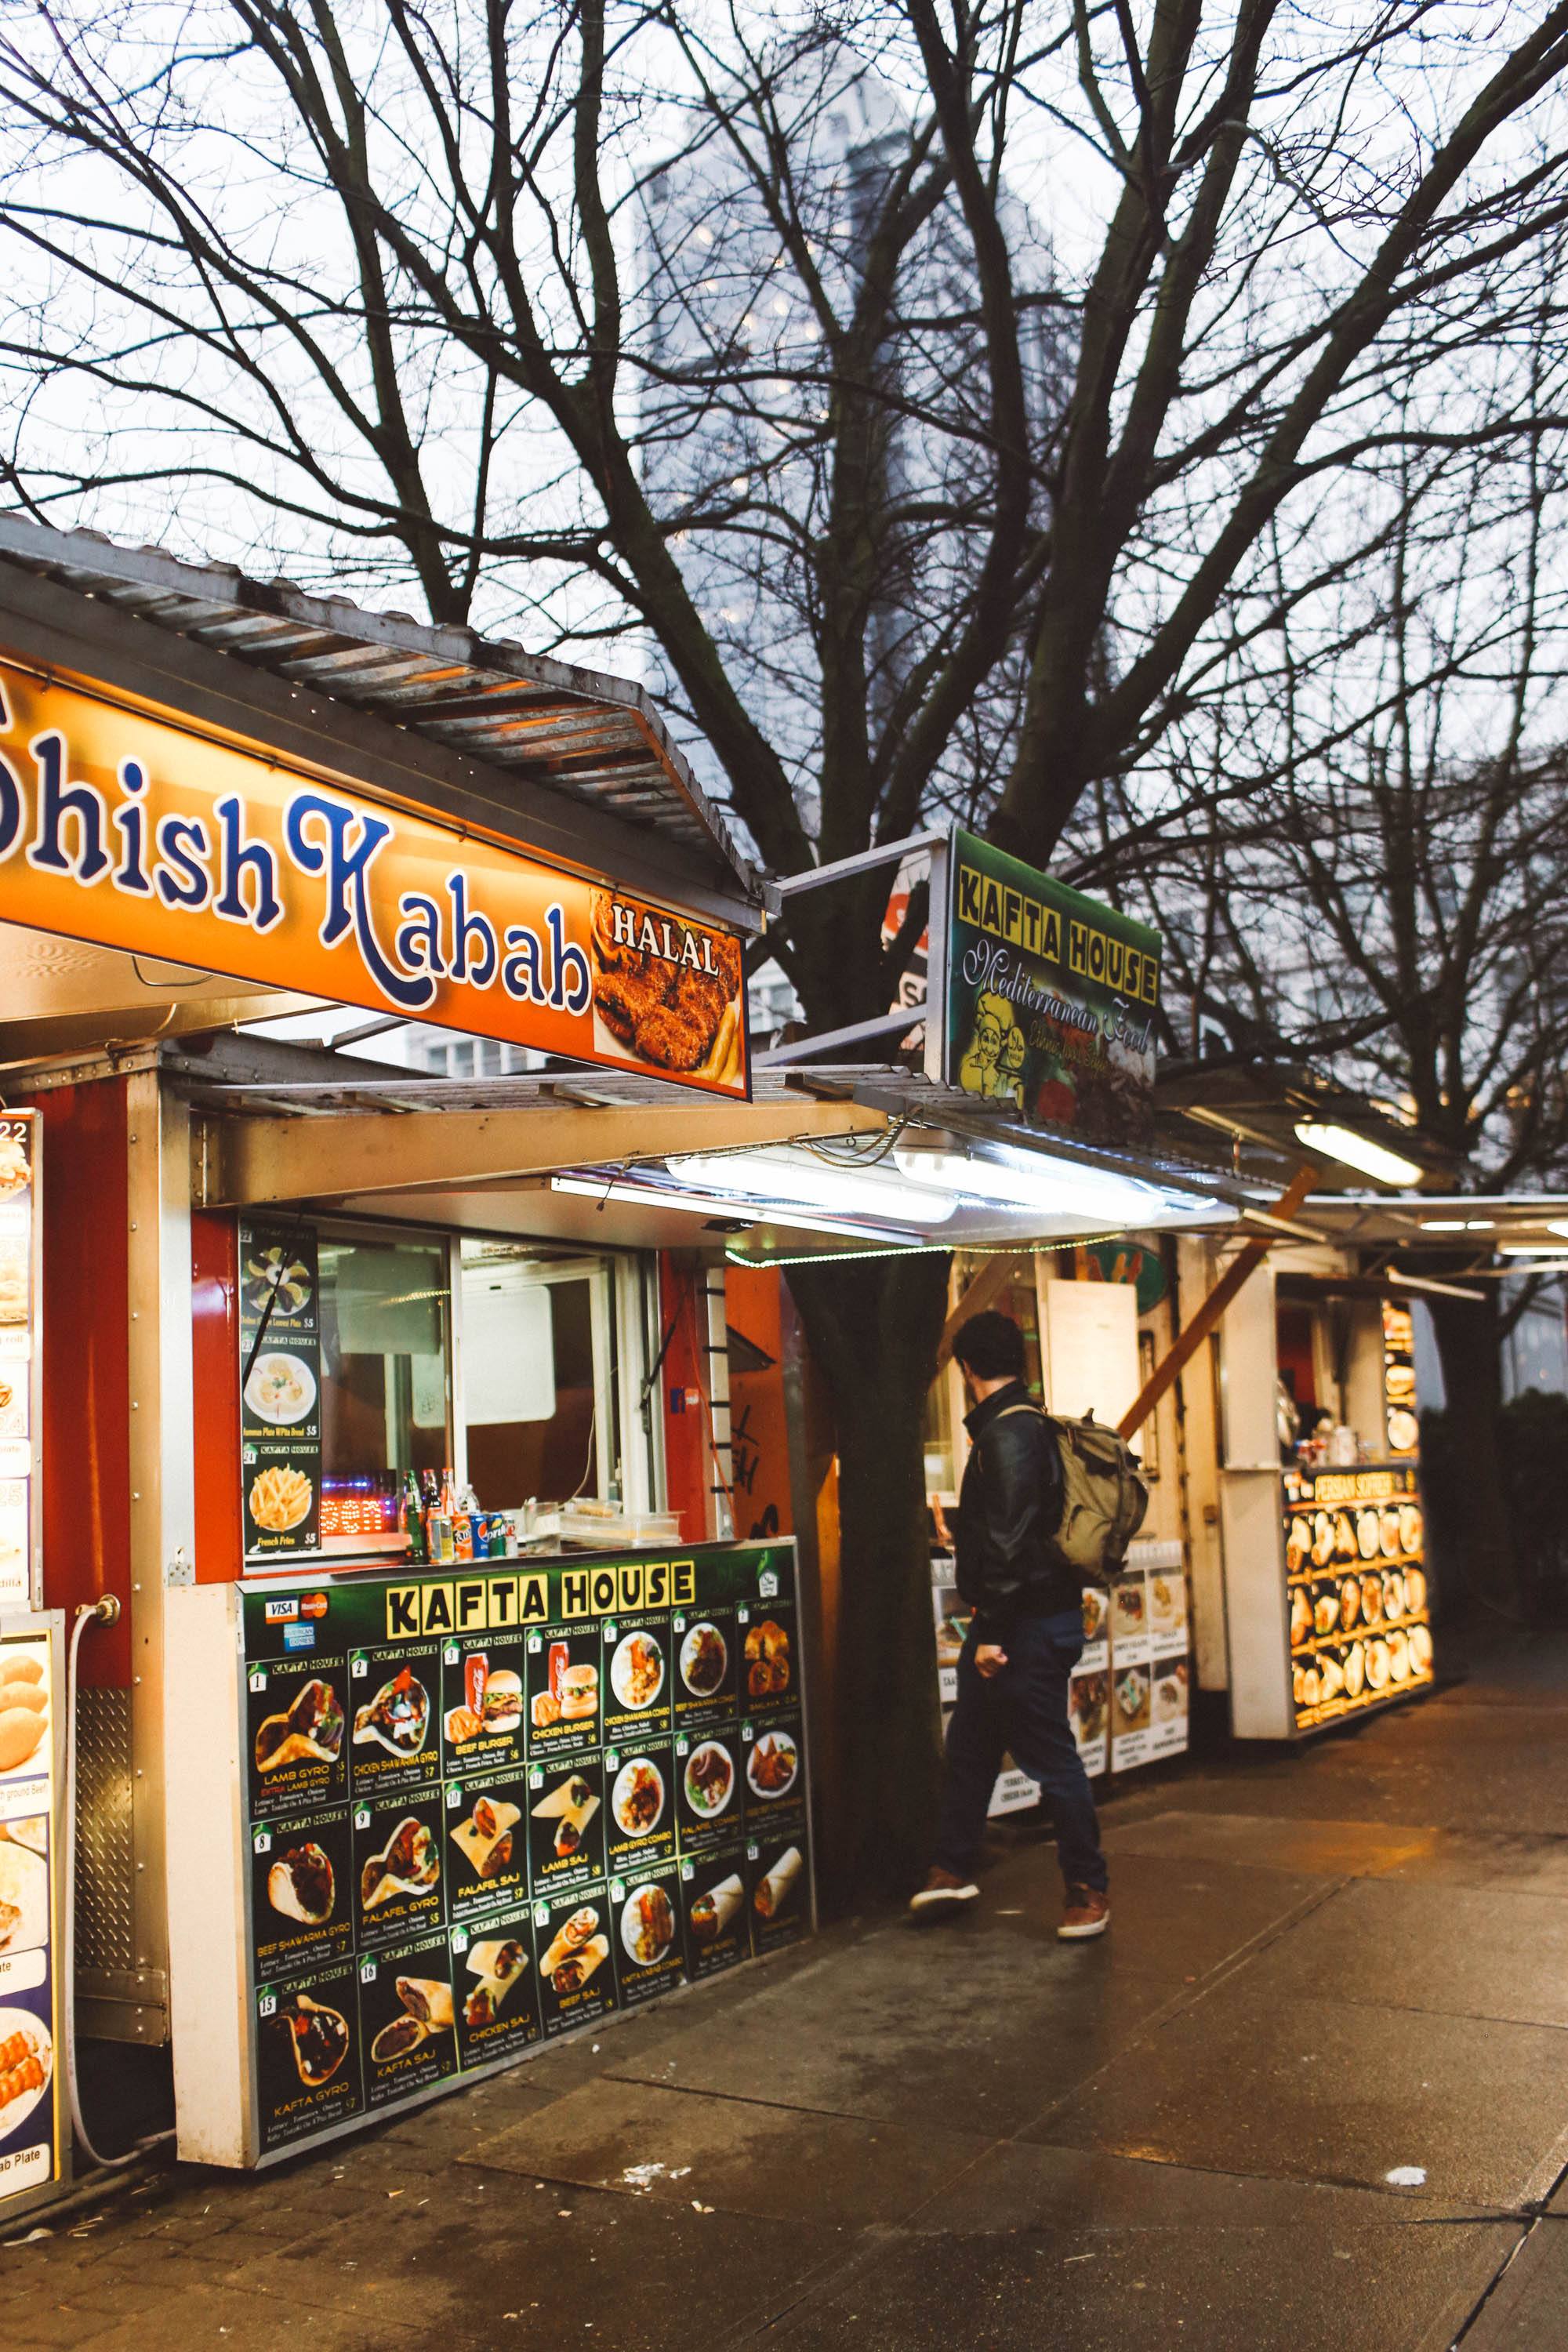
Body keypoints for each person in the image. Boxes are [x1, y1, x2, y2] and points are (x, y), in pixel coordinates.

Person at [910, 1308, 1110, 1939]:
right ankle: (952, 1867)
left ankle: (1088, 1889)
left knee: (1051, 1760)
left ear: (967, 1369)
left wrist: (991, 1634)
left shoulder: (1008, 1435)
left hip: (1021, 1626)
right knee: (971, 1747)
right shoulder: (1021, 1426)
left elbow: (1009, 1540)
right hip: (1018, 1619)